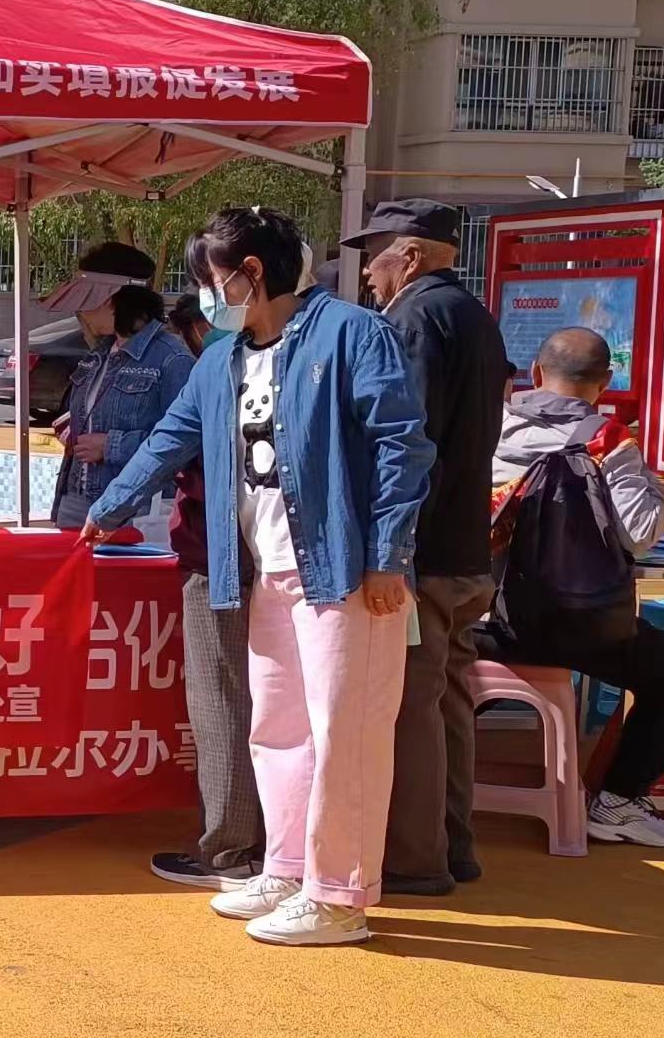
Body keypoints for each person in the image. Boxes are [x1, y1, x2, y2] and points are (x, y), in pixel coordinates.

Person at [85, 206, 431, 947]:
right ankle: (287, 867)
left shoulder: (352, 334)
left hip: (343, 571)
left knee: (345, 734)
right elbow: (172, 435)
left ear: (251, 273)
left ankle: (338, 897)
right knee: (278, 728)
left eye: (211, 281)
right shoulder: (222, 359)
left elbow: (401, 447)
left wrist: (388, 557)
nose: (206, 298)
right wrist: (110, 507)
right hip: (264, 569)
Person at [477, 327, 664, 847]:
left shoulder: (489, 426)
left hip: (484, 622)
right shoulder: (606, 440)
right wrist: (655, 485)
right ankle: (619, 801)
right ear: (607, 380)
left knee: (458, 677)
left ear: (535, 373)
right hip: (577, 624)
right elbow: (639, 533)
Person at [351, 198, 510, 897]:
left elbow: (404, 444)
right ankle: (454, 845)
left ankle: (416, 859)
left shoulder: (412, 319)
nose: (366, 273)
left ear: (410, 256)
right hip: (466, 547)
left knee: (410, 706)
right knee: (447, 702)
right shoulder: (474, 316)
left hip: (421, 552)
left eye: (374, 256)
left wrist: (388, 549)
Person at [148, 241, 260, 892]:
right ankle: (274, 848)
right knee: (268, 702)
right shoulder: (290, 357)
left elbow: (168, 449)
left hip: (223, 562)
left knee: (222, 700)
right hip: (276, 562)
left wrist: (108, 507)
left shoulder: (219, 367)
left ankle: (228, 850)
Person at [50, 265, 195, 545]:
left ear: (110, 301)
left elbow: (182, 442)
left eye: (87, 302)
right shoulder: (99, 353)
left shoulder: (172, 359)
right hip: (76, 498)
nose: (81, 312)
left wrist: (111, 446)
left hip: (133, 509)